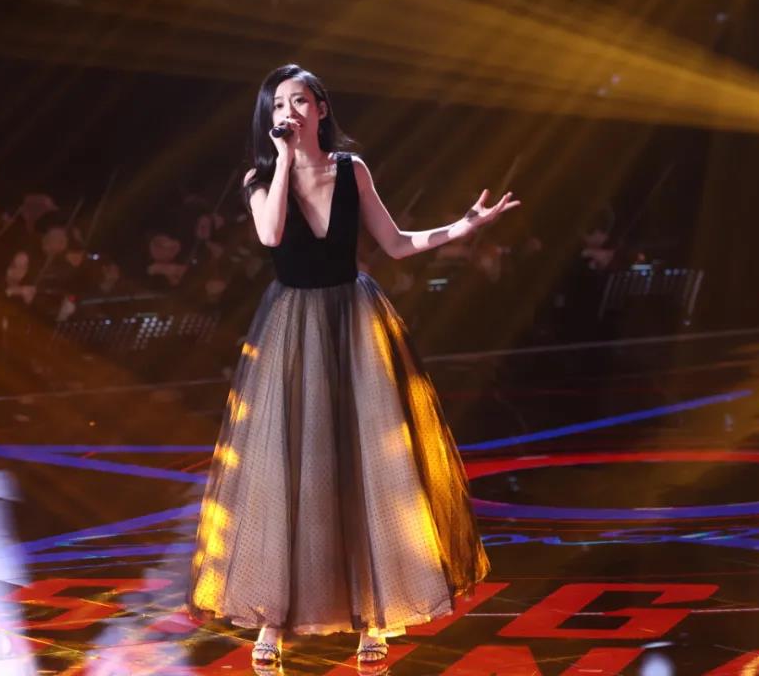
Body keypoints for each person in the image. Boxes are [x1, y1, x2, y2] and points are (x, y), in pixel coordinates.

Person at [185, 65, 519, 667]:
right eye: (277, 105)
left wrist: (464, 227)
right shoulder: (260, 176)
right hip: (292, 329)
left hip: (353, 322)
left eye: (299, 101)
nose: (288, 112)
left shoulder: (351, 170)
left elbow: (396, 243)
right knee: (288, 470)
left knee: (365, 468)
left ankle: (374, 617)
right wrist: (284, 162)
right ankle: (272, 618)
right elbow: (271, 234)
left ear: (320, 107)